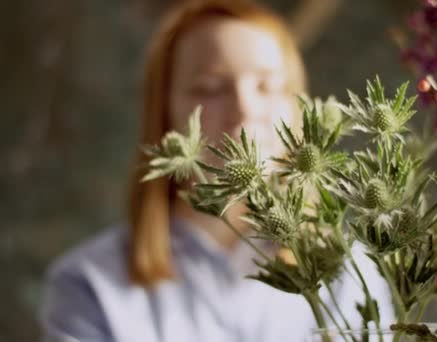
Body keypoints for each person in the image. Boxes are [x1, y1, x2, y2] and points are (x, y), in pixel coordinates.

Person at [39, 0, 392, 341]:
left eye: (267, 86)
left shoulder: (352, 273)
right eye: (210, 88)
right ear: (164, 113)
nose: (244, 110)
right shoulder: (90, 286)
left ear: (299, 110)